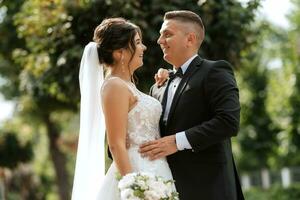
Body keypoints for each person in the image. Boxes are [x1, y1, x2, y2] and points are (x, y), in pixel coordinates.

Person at [139, 10, 245, 200]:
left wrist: (176, 142)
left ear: (190, 39)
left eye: (167, 34)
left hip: (211, 190)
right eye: (161, 34)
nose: (159, 40)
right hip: (165, 190)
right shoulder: (157, 87)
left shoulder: (215, 71)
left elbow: (228, 122)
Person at [71, 18, 175, 200]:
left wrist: (167, 78)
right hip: (137, 172)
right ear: (120, 53)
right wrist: (135, 189)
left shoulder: (128, 85)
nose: (143, 48)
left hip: (156, 171)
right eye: (137, 43)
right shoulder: (114, 86)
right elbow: (116, 144)